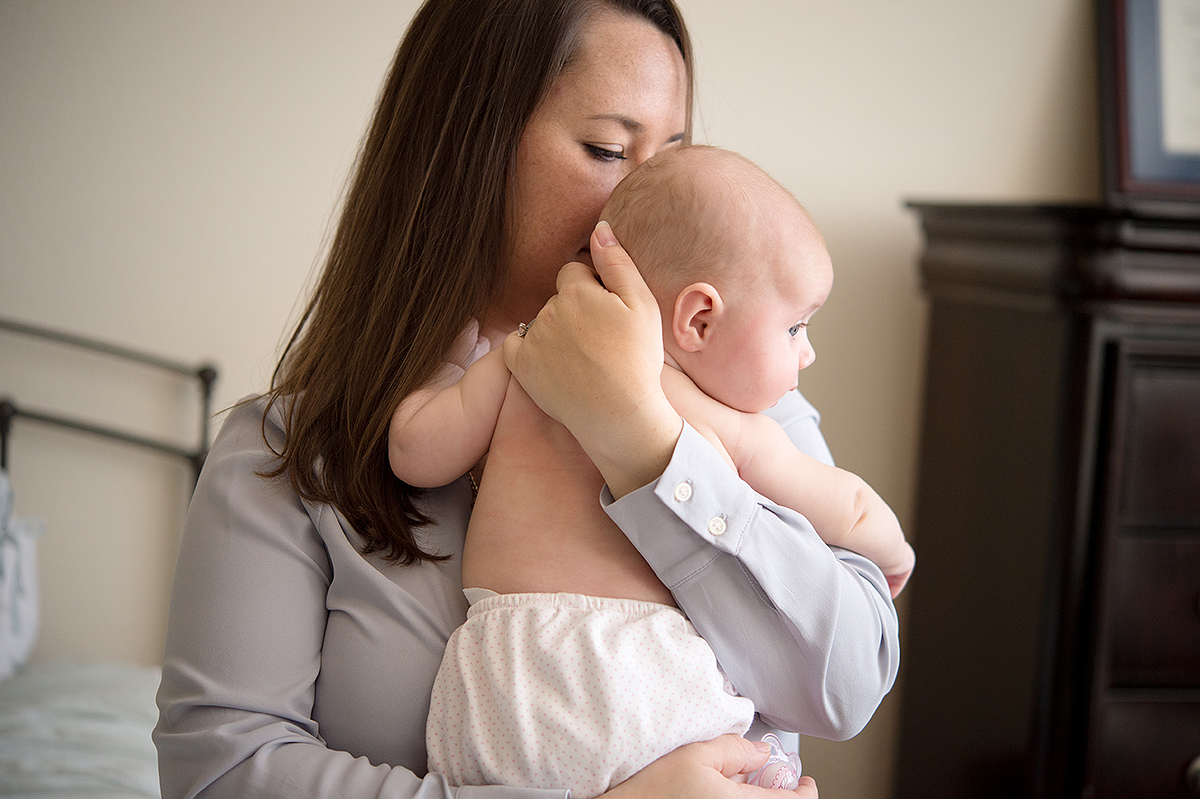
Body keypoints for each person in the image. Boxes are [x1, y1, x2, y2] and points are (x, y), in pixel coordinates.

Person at [153, 0, 900, 797]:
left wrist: (649, 447)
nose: (656, 191)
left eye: (675, 151)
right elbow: (221, 773)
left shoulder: (749, 402)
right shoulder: (287, 452)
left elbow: (847, 689)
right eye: (608, 148)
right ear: (467, 147)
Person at [390, 144, 912, 797]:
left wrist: (446, 367)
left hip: (499, 689)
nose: (807, 352)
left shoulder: (522, 353)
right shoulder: (716, 417)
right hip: (639, 686)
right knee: (755, 765)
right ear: (699, 319)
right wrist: (894, 552)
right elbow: (849, 507)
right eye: (795, 329)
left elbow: (413, 452)